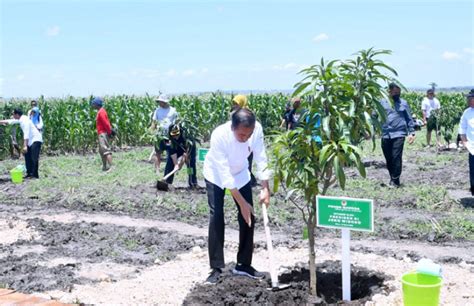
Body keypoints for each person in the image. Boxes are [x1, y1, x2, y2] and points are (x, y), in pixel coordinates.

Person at [203, 108, 271, 284]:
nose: (245, 138)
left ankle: (243, 264)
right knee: (217, 215)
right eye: (241, 135)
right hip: (216, 175)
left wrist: (265, 188)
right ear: (232, 127)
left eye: (248, 135)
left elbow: (261, 157)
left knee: (249, 217)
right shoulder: (219, 135)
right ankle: (216, 267)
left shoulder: (256, 131)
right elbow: (224, 174)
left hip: (241, 173)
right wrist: (242, 203)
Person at [380, 83, 416, 187]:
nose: (397, 95)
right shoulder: (382, 102)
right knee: (389, 158)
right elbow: (374, 116)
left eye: (399, 93)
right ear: (389, 92)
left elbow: (409, 118)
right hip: (385, 134)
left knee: (396, 156)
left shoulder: (403, 103)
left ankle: (395, 181)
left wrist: (412, 133)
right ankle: (392, 178)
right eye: (395, 93)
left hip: (399, 133)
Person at [0, 108, 43, 178]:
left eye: (13, 114)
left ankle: (35, 175)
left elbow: (26, 133)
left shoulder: (24, 121)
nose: (12, 115)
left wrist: (25, 146)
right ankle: (29, 174)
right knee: (27, 157)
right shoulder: (21, 118)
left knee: (34, 158)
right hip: (30, 140)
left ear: (17, 114)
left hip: (35, 139)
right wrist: (1, 121)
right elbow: (11, 121)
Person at [231, 94, 258, 186]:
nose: (234, 105)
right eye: (234, 103)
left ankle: (248, 181)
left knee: (247, 164)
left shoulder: (248, 115)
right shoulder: (234, 114)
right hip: (235, 144)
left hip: (247, 145)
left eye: (236, 103)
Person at [150, 94, 178, 174]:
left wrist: (175, 134)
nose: (159, 103)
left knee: (171, 152)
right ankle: (157, 169)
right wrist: (152, 132)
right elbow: (154, 122)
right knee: (158, 152)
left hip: (168, 136)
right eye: (159, 102)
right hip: (159, 136)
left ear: (165, 102)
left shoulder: (173, 110)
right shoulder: (157, 111)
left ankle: (174, 168)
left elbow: (176, 122)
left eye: (161, 102)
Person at [163, 123, 197, 188]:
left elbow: (186, 153)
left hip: (188, 148)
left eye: (177, 134)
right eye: (173, 135)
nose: (175, 136)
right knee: (170, 163)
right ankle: (167, 182)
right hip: (176, 148)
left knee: (190, 164)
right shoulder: (169, 139)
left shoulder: (186, 137)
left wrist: (181, 163)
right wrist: (176, 164)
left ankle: (192, 182)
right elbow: (172, 152)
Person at [458, 89, 474, 196]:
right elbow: (462, 129)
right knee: (473, 173)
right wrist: (465, 143)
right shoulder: (467, 112)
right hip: (472, 148)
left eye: (470, 98)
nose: (468, 100)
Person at [90, 97, 113, 171]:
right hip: (101, 133)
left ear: (97, 104)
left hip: (103, 133)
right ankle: (104, 166)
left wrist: (109, 132)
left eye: (93, 104)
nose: (92, 106)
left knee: (105, 150)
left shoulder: (101, 112)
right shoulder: (100, 111)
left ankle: (111, 167)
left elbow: (106, 123)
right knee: (101, 151)